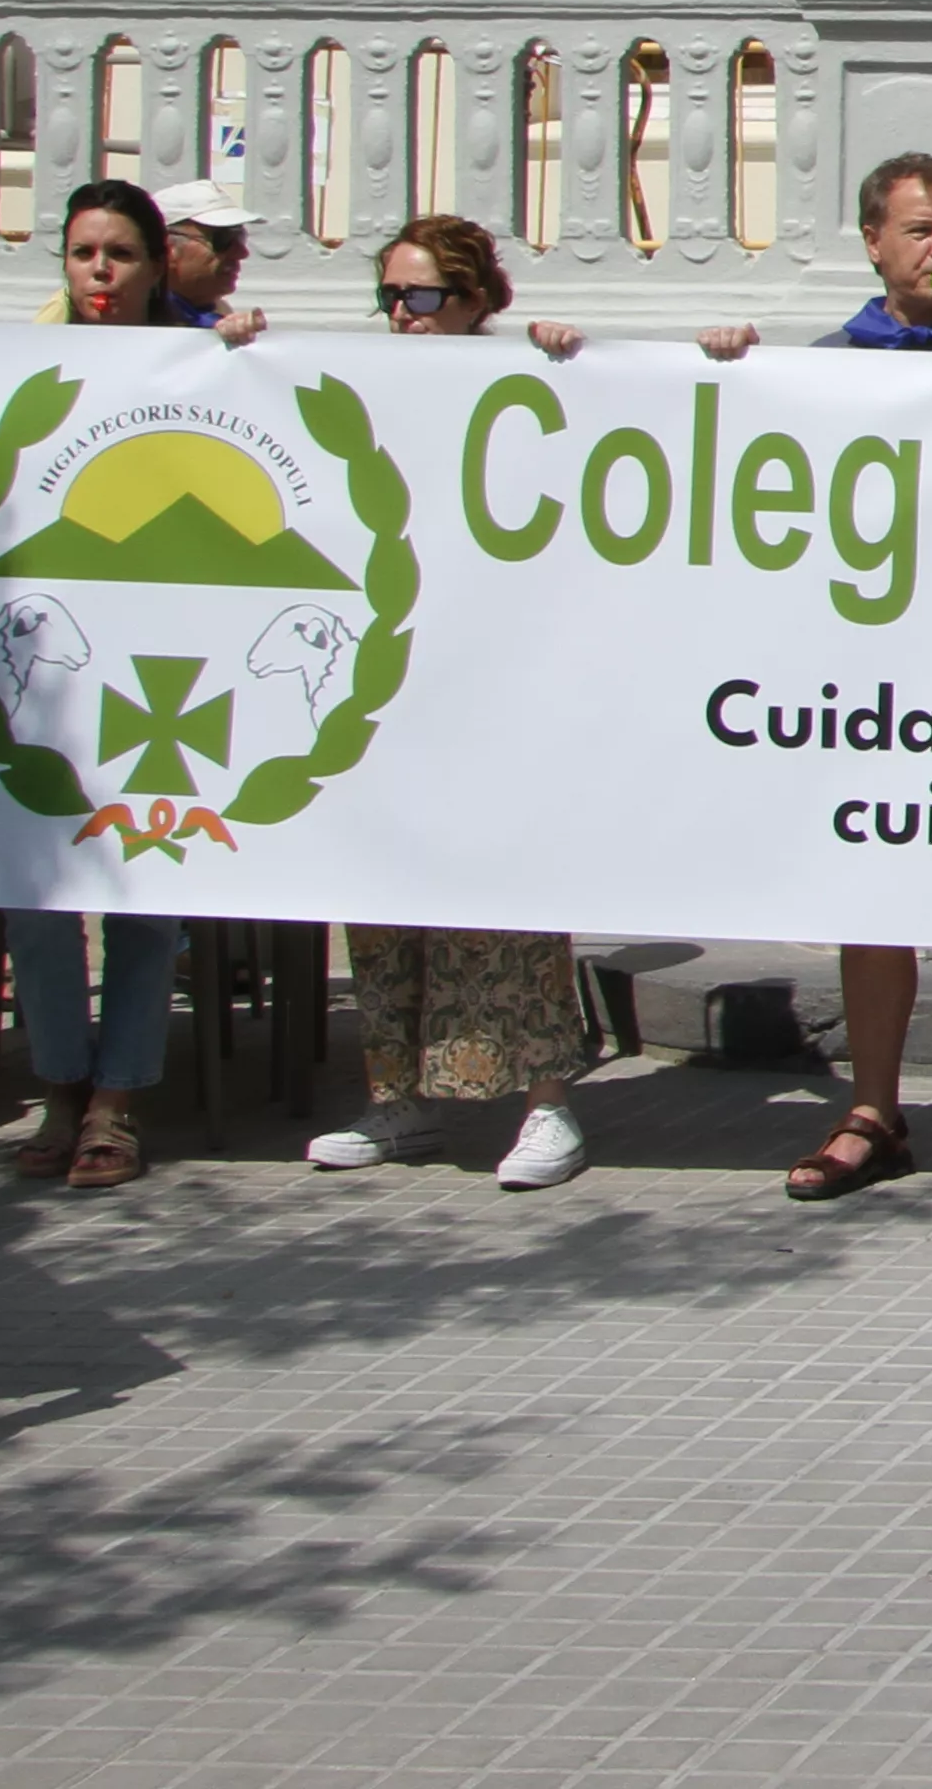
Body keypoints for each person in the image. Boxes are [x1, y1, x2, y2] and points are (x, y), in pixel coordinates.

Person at [0, 178, 262, 1192]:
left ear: (155, 262)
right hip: (50, 681)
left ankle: (119, 1099)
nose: (99, 274)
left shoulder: (208, 353)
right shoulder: (20, 362)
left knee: (146, 888)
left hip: (171, 672)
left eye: (119, 255)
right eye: (84, 254)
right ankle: (57, 1085)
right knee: (32, 899)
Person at [706, 154, 932, 1204]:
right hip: (874, 669)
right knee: (874, 890)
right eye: (918, 231)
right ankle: (875, 1109)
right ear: (873, 242)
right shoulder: (837, 359)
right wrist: (729, 371)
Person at [307, 217, 602, 1192]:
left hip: (500, 683)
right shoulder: (368, 390)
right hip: (394, 682)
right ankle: (400, 1098)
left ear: (475, 299)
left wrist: (569, 363)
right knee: (386, 898)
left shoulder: (518, 385)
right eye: (390, 297)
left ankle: (546, 1100)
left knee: (511, 900)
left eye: (422, 297)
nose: (403, 315)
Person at [149, 177, 256, 326]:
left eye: (240, 236)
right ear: (168, 249)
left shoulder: (221, 316)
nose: (242, 252)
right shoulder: (132, 318)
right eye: (224, 238)